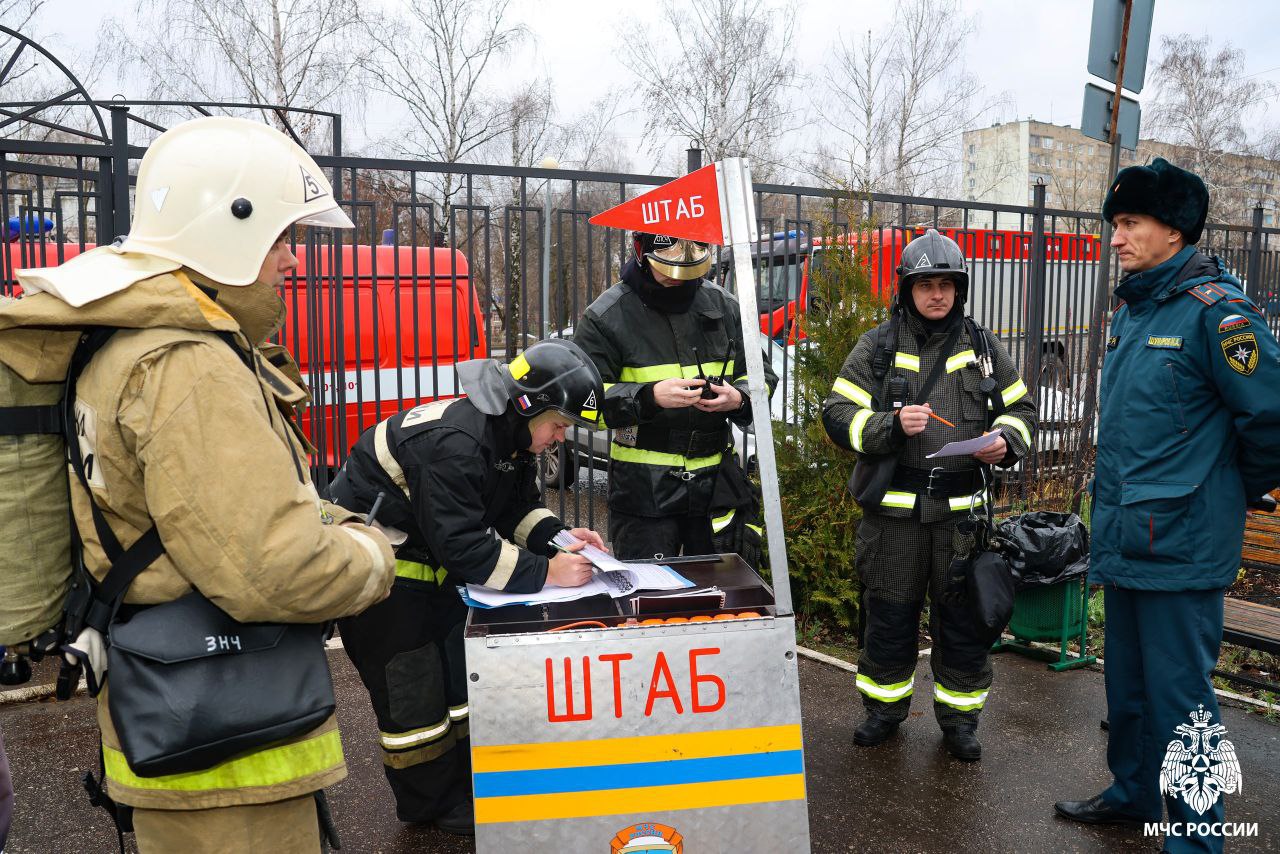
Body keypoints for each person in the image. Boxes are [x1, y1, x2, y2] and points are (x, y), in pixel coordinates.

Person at [0, 117, 396, 851]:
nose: (293, 258)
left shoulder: (127, 340)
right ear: (228, 227)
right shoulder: (188, 365)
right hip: (226, 756)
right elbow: (272, 568)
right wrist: (373, 554)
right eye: (282, 236)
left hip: (181, 713)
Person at [1054, 159, 1280, 852]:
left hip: (1183, 547)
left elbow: (1271, 422)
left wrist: (1225, 490)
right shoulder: (1136, 310)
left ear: (1175, 230)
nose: (1116, 238)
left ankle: (1196, 838)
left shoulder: (1219, 315)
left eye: (1130, 223)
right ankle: (1133, 795)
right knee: (1127, 689)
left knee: (1184, 703)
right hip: (1128, 536)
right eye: (1115, 224)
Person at [326, 338, 608, 836]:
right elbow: (461, 546)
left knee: (458, 681)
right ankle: (432, 807)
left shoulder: (504, 434)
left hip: (428, 563)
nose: (560, 438)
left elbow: (513, 509)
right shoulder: (455, 444)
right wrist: (548, 572)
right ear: (529, 405)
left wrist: (562, 540)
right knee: (414, 694)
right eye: (559, 425)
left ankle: (462, 784)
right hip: (383, 575)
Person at [822, 228, 1036, 761]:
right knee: (888, 619)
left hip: (961, 520)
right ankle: (883, 711)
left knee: (961, 626)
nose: (936, 294)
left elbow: (1022, 411)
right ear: (907, 289)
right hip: (892, 521)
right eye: (925, 285)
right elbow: (837, 415)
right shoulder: (877, 346)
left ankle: (960, 722)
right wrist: (889, 425)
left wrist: (1006, 440)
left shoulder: (982, 347)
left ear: (959, 289)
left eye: (946, 284)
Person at [573, 232, 776, 563]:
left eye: (689, 269)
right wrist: (648, 397)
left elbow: (761, 376)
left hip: (716, 490)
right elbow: (582, 401)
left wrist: (738, 398)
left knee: (724, 589)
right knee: (649, 591)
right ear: (641, 253)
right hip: (643, 494)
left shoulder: (724, 306)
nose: (678, 278)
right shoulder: (607, 316)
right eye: (668, 268)